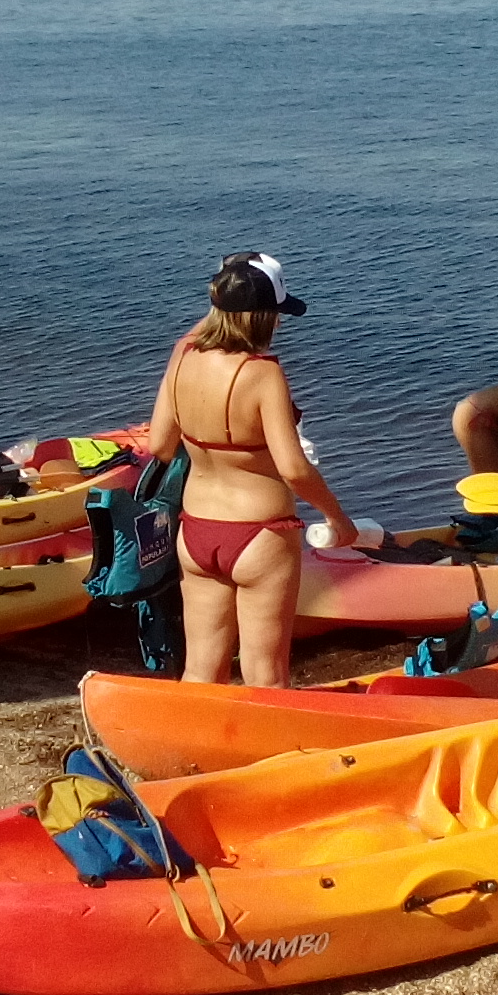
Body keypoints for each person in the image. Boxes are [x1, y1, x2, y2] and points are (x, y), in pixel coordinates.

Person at [147, 252, 355, 689]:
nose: (280, 323)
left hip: (197, 530)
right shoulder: (262, 374)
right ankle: (272, 755)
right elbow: (294, 469)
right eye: (277, 314)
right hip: (260, 533)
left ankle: (192, 751)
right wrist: (337, 518)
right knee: (266, 676)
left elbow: (159, 445)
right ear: (263, 317)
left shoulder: (182, 357)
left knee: (201, 670)